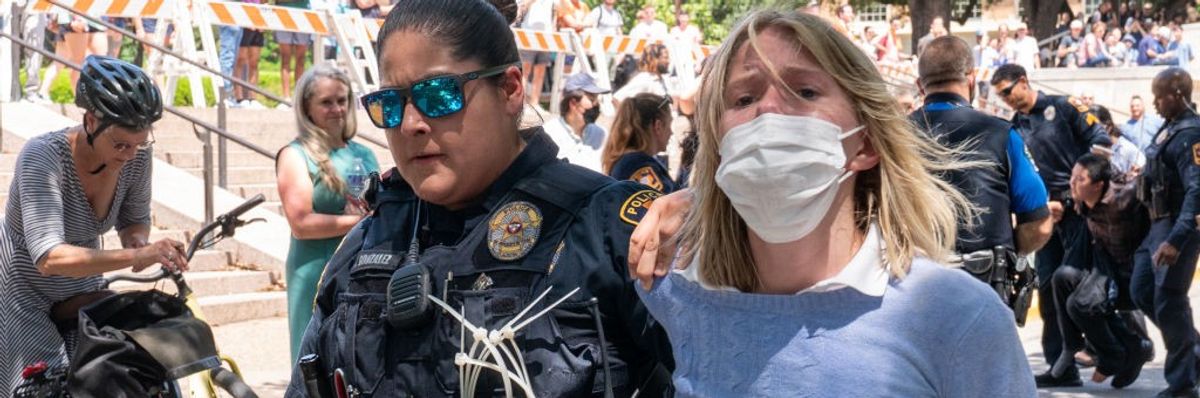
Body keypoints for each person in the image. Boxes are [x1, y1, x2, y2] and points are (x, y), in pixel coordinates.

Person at [629, 10, 1034, 396]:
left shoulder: (958, 317)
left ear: (866, 142)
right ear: (719, 143)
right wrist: (693, 202)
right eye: (743, 98)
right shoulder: (673, 284)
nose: (768, 109)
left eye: (804, 91)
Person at [286, 0, 671, 395]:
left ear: (510, 89)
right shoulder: (368, 241)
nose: (412, 124)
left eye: (439, 95)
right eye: (391, 104)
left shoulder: (608, 228)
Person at [0, 56, 187, 394]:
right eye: (120, 144)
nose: (130, 154)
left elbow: (134, 219)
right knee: (43, 387)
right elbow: (49, 258)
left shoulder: (136, 156)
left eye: (139, 143)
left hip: (82, 288)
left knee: (105, 379)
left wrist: (136, 242)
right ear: (90, 121)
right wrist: (136, 255)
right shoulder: (43, 157)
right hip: (22, 294)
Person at [910, 36, 1052, 316]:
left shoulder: (890, 136)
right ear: (972, 79)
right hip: (983, 292)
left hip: (909, 295)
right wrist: (1014, 251)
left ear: (919, 85)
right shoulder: (1002, 134)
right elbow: (1040, 223)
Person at [990, 63, 1111, 387]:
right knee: (1047, 290)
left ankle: (1121, 347)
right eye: (999, 95)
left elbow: (1101, 142)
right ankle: (1062, 366)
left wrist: (1077, 195)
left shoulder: (1064, 106)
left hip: (1079, 211)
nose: (1005, 99)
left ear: (1024, 81)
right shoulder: (1014, 128)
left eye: (1007, 91)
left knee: (1085, 286)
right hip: (1046, 215)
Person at [275, 64, 379, 362]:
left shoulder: (364, 153)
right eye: (326, 102)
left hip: (361, 266)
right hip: (315, 270)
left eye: (342, 100)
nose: (337, 109)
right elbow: (301, 223)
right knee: (315, 356)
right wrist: (359, 221)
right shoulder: (295, 155)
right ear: (307, 107)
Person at [1053, 153, 1153, 389]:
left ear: (1098, 185)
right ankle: (1074, 346)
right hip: (1107, 271)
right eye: (1072, 177)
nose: (1072, 183)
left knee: (1080, 304)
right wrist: (1057, 203)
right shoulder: (1079, 198)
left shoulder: (1125, 199)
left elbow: (1143, 185)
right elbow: (1066, 195)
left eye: (1080, 179)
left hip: (1133, 276)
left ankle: (1117, 354)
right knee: (1062, 278)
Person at [1132, 68, 1200, 398]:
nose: (1155, 103)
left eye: (1160, 96)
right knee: (1141, 290)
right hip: (1157, 226)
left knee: (1170, 301)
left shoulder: (1191, 135)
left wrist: (1177, 240)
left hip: (1177, 227)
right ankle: (1194, 352)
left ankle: (1182, 384)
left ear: (1178, 94)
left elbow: (1197, 191)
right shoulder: (1169, 129)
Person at [602, 93, 675, 194]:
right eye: (669, 124)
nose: (671, 132)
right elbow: (667, 205)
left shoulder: (630, 161)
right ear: (658, 126)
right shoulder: (637, 165)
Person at [543, 73, 609, 171]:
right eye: (592, 99)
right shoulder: (549, 134)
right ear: (573, 103)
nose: (596, 105)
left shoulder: (601, 134)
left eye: (597, 100)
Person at [518, 0, 555, 107]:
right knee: (524, 72)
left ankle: (535, 103)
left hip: (546, 37)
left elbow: (555, 11)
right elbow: (520, 10)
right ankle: (521, 103)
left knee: (540, 73)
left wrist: (553, 29)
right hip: (528, 36)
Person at [275, 0, 312, 105]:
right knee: (285, 58)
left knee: (301, 59)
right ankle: (286, 96)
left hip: (303, 12)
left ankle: (298, 96)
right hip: (283, 12)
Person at [1095, 106, 1146, 174]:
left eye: (1095, 128)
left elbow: (1140, 168)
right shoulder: (1091, 146)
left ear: (1108, 127)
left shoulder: (1127, 149)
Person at [234, 7, 266, 109]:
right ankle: (239, 98)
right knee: (241, 60)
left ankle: (253, 98)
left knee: (254, 62)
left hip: (258, 20)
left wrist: (263, 20)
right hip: (244, 17)